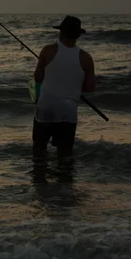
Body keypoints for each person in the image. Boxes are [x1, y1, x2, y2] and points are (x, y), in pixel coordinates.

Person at [32, 16, 96, 158]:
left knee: (39, 148)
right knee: (65, 153)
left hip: (46, 105)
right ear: (78, 35)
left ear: (61, 32)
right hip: (68, 109)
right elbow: (90, 87)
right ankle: (63, 178)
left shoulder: (47, 51)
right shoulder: (86, 58)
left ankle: (38, 177)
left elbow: (38, 78)